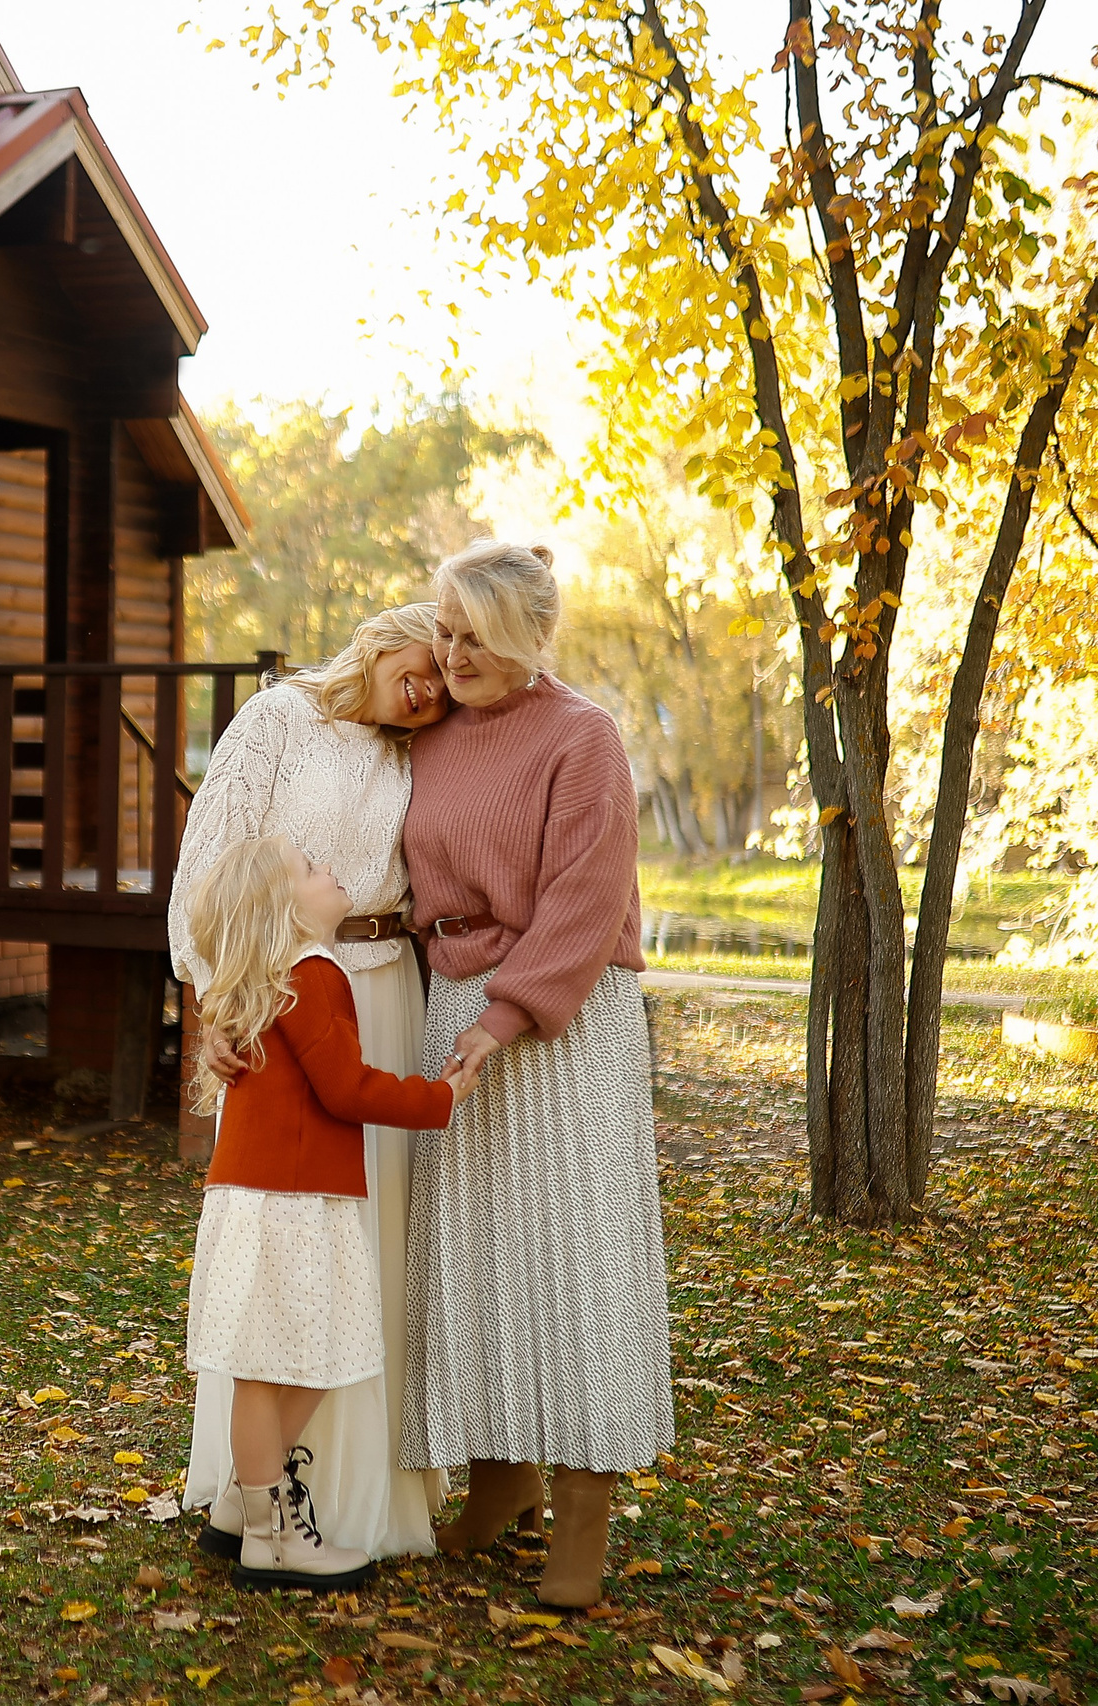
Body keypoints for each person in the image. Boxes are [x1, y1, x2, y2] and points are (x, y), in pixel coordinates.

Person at [398, 539, 674, 1609]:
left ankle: (583, 1511)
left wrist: (507, 1013)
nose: (450, 650)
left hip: (561, 1025)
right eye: (443, 627)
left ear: (526, 635)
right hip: (454, 1006)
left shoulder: (582, 736)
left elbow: (587, 895)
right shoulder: (431, 735)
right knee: (470, 1256)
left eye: (472, 632)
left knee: (575, 1261)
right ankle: (497, 1478)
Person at [168, 604, 452, 1561]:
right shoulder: (280, 719)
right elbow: (211, 868)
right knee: (287, 1260)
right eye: (424, 666)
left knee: (364, 1252)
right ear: (387, 637)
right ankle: (257, 1501)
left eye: (448, 681)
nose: (432, 690)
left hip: (385, 995)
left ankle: (352, 1498)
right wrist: (215, 1005)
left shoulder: (430, 746)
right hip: (281, 991)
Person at [180, 834, 479, 1590]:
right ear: (283, 909)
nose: (332, 872)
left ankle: (245, 1507)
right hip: (289, 1202)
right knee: (270, 1368)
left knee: (301, 1363)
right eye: (311, 871)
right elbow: (345, 1088)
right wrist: (438, 1097)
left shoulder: (266, 980)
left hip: (277, 1196)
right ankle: (272, 1536)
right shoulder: (310, 975)